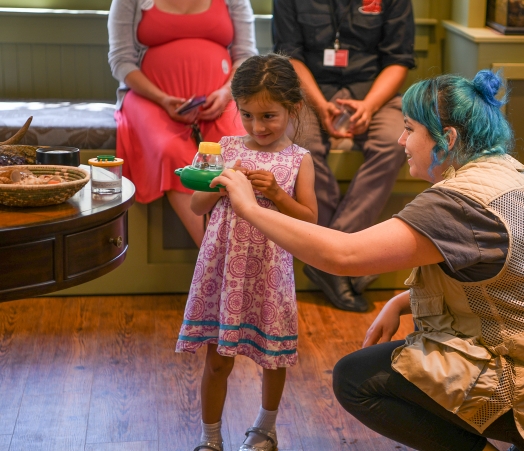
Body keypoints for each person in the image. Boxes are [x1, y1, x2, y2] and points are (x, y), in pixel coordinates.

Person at [209, 69, 524, 451]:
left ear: (445, 139)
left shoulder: (459, 204)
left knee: (356, 380)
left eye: (408, 129)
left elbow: (343, 255)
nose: (400, 140)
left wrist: (250, 208)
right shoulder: (511, 172)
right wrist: (401, 302)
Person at [175, 54, 317, 451]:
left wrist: (273, 192)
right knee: (217, 359)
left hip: (270, 272)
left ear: (294, 108)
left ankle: (265, 429)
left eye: (269, 116)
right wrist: (221, 181)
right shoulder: (224, 147)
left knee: (273, 358)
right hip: (224, 270)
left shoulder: (299, 161)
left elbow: (309, 219)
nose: (258, 126)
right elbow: (196, 207)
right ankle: (209, 437)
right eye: (248, 115)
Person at [272, 0, 416, 312]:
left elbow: (399, 59)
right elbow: (289, 55)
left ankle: (330, 256)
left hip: (374, 92)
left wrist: (369, 106)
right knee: (303, 148)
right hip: (308, 93)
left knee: (396, 141)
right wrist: (321, 105)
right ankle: (348, 259)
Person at [108, 0, 259, 247]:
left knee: (238, 150)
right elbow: (121, 61)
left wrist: (226, 93)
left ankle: (241, 249)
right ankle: (214, 255)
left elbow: (246, 56)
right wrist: (163, 99)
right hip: (151, 99)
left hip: (223, 97)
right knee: (170, 150)